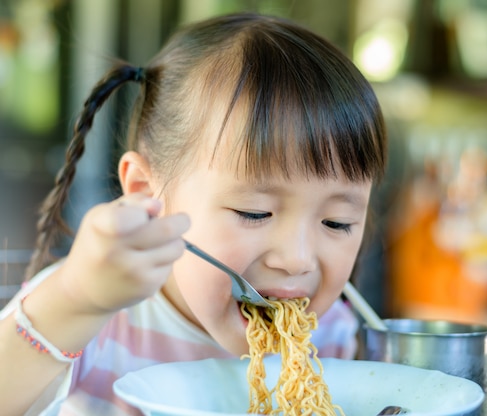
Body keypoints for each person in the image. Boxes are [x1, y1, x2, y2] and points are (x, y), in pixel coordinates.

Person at [0, 13, 387, 415]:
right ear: (148, 195)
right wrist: (76, 298)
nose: (296, 260)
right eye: (255, 212)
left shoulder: (339, 340)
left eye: (336, 222)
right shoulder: (96, 315)